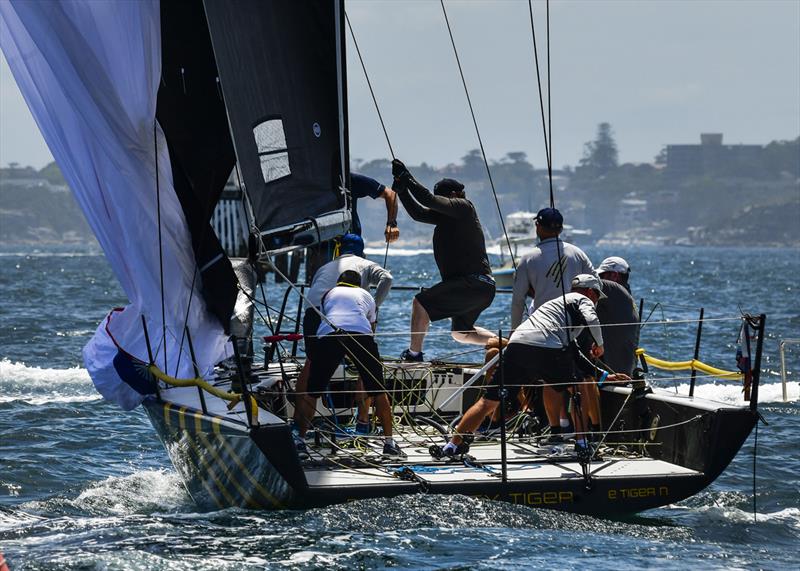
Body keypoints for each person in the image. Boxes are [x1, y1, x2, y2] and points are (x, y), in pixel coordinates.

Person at [436, 274, 629, 459]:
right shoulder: (581, 299)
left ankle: (452, 445)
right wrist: (600, 344)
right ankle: (582, 444)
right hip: (547, 348)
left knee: (488, 401)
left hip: (517, 345)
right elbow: (592, 318)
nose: (596, 302)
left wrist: (602, 376)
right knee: (578, 388)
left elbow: (575, 352)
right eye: (597, 297)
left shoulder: (554, 307)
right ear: (590, 291)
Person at [391, 159, 497, 361]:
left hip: (474, 283)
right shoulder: (445, 217)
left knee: (420, 303)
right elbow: (419, 213)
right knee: (461, 333)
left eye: (443, 199)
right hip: (480, 286)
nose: (440, 204)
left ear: (454, 196)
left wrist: (408, 178)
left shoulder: (463, 207)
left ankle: (414, 355)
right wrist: (403, 190)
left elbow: (428, 200)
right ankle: (505, 343)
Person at [293, 270, 403, 457]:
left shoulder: (329, 293)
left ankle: (300, 441)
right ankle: (389, 443)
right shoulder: (367, 295)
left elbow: (327, 316)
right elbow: (371, 327)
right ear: (359, 285)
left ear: (338, 283)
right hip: (361, 335)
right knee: (378, 390)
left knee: (313, 391)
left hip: (330, 336)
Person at [299, 233, 392, 434]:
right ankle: (363, 421)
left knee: (311, 364)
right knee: (364, 367)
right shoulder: (365, 263)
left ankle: (298, 426)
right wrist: (375, 303)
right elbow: (387, 277)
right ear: (362, 252)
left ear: (338, 251)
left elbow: (317, 294)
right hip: (354, 318)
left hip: (315, 312)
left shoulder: (324, 267)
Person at [511, 208, 597, 329]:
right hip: (575, 325)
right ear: (561, 229)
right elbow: (597, 286)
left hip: (542, 325)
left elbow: (518, 301)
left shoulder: (527, 259)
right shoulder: (578, 253)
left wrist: (513, 331)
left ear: (538, 227)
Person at [305, 173, 399, 281]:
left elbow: (390, 194)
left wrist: (391, 224)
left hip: (351, 246)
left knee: (353, 284)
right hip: (321, 245)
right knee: (320, 285)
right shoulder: (310, 182)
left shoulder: (350, 179)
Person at [594, 256, 639, 376]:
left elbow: (585, 283)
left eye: (601, 276)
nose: (598, 279)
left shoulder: (613, 290)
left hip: (611, 372)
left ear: (614, 276)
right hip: (626, 370)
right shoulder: (628, 296)